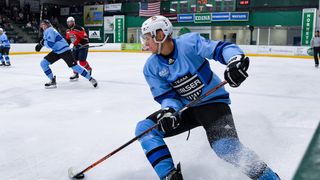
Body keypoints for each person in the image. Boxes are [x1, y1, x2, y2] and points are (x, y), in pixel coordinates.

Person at [135, 16, 280, 180]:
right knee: (144, 129)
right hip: (185, 110)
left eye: (148, 38)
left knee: (226, 147)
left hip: (212, 104)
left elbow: (221, 49)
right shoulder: (151, 67)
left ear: (160, 35)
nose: (146, 43)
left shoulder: (189, 43)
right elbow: (167, 96)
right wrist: (169, 111)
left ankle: (270, 178)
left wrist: (234, 60)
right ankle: (170, 176)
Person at [35, 19, 97, 89]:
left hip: (64, 51)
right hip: (57, 51)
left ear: (47, 25)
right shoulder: (48, 31)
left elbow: (50, 44)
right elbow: (46, 41)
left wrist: (42, 43)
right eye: (42, 25)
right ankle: (52, 80)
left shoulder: (50, 30)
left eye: (43, 25)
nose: (42, 26)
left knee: (75, 67)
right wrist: (40, 44)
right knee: (43, 63)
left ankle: (90, 79)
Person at [66, 16, 93, 81]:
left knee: (82, 62)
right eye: (68, 22)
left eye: (70, 22)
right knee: (73, 62)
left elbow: (85, 38)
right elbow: (68, 40)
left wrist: (82, 44)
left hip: (83, 47)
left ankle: (89, 69)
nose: (69, 23)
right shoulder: (68, 31)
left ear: (73, 22)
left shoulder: (79, 28)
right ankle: (75, 74)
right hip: (75, 47)